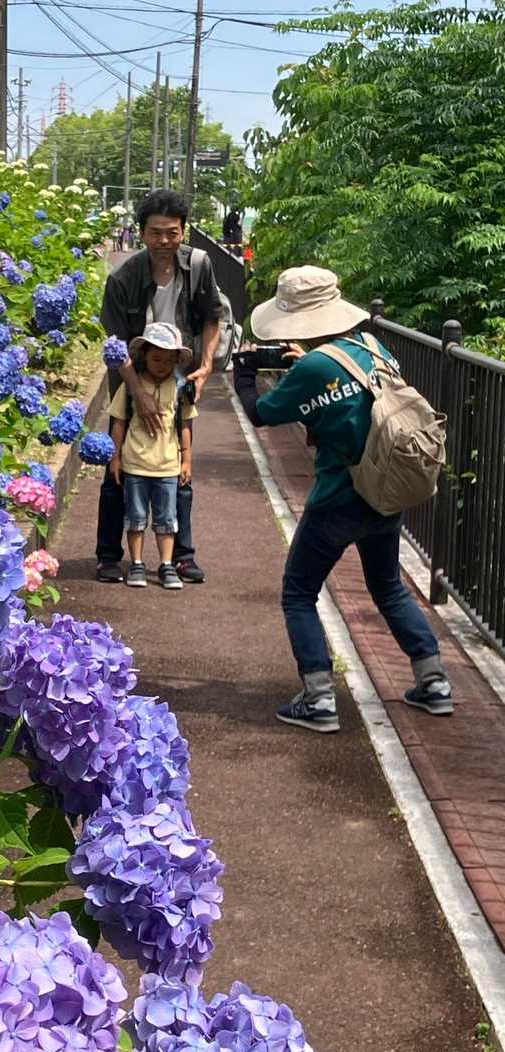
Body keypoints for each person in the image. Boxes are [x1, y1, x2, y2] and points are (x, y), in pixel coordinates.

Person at [233, 265, 453, 732]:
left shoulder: (313, 368)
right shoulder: (373, 346)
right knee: (388, 586)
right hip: (386, 491)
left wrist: (244, 374)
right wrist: (304, 363)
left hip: (338, 498)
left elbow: (261, 413)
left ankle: (318, 699)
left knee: (298, 593)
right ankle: (433, 682)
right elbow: (350, 396)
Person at [95, 188, 223, 584]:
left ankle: (181, 556)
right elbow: (114, 344)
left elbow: (212, 317)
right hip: (131, 378)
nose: (164, 241)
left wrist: (206, 365)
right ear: (141, 232)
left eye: (172, 232)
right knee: (117, 466)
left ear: (184, 231)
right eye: (155, 232)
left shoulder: (198, 265)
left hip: (179, 378)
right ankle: (108, 556)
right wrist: (138, 392)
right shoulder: (124, 278)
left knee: (180, 465)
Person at [108, 324, 196, 589]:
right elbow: (119, 422)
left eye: (169, 360)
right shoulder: (130, 388)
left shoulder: (180, 388)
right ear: (143, 355)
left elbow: (184, 425)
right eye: (157, 358)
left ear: (177, 361)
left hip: (168, 466)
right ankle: (136, 563)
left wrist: (187, 459)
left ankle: (166, 564)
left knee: (167, 520)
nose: (162, 365)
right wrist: (115, 457)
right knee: (135, 518)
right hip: (135, 464)